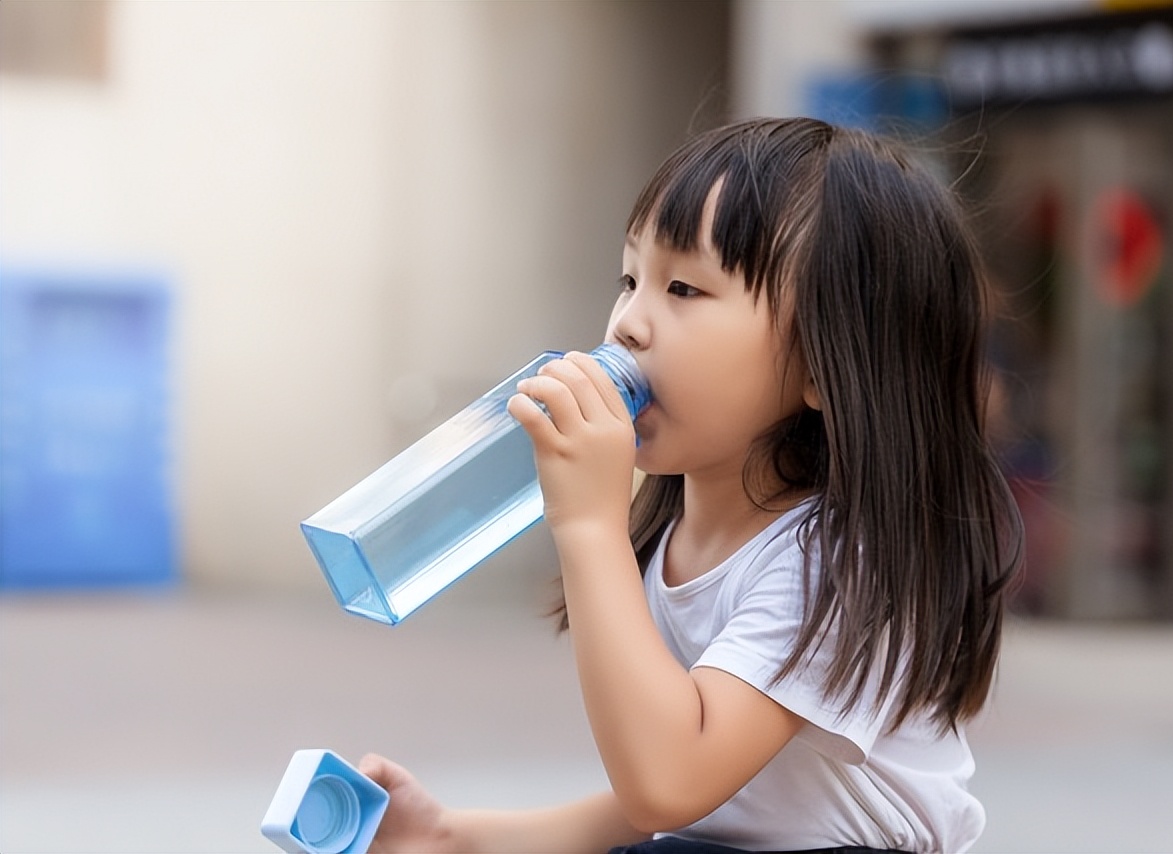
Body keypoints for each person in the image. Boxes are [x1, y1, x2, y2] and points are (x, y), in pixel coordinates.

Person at [357, 117, 1023, 854]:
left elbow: (669, 782)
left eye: (682, 287)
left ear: (821, 367)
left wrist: (589, 527)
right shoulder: (677, 544)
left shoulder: (836, 561)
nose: (630, 325)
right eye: (630, 279)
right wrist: (451, 836)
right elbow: (672, 810)